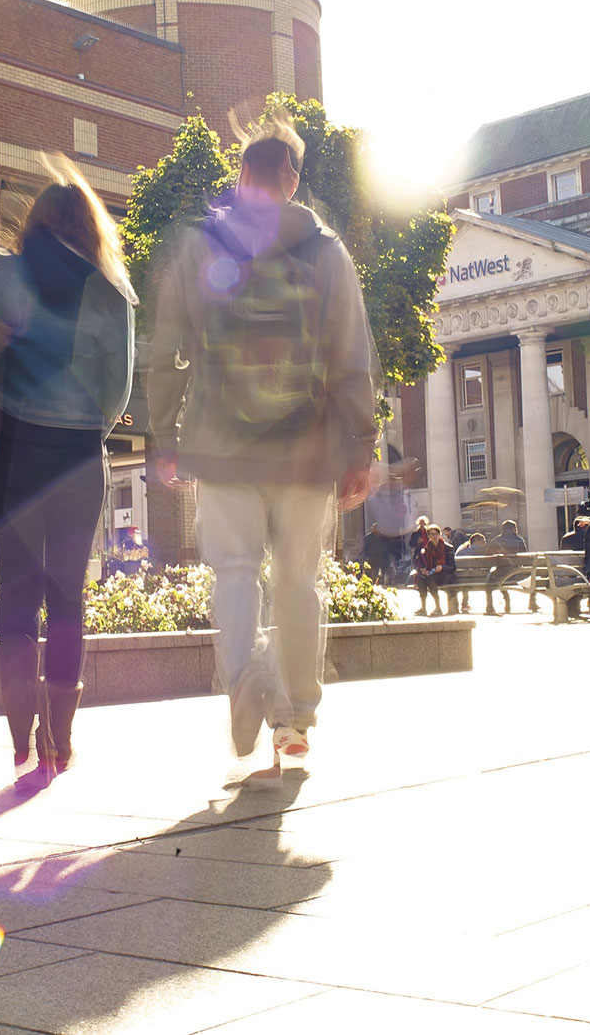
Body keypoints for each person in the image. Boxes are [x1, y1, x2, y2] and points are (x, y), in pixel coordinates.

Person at [148, 117, 379, 784]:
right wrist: (359, 448)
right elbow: (351, 355)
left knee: (234, 571)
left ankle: (244, 677)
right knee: (299, 583)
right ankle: (295, 720)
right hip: (307, 452)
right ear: (294, 178)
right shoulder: (326, 249)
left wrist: (165, 437)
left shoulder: (199, 244)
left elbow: (168, 352)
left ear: (241, 174)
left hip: (221, 445)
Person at [0, 177, 134, 783]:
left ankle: (19, 736)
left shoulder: (5, 276)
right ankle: (58, 737)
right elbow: (116, 395)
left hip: (13, 453)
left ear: (35, 221)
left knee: (16, 593)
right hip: (76, 459)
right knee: (68, 597)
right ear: (92, 226)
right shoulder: (111, 291)